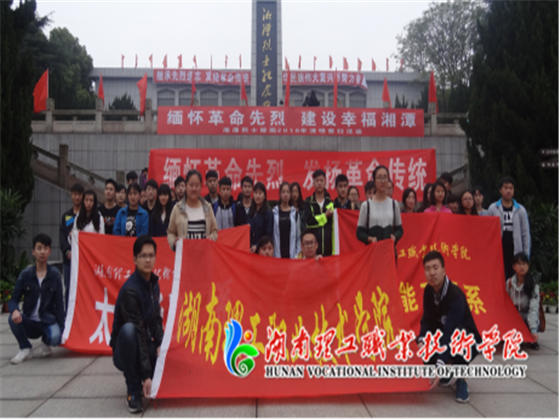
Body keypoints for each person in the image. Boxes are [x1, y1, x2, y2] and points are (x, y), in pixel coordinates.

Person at [419, 251, 481, 404]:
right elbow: (427, 320)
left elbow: (450, 332)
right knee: (425, 350)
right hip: (444, 335)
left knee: (458, 340)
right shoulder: (428, 291)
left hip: (465, 339)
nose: (432, 273)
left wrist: (440, 364)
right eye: (428, 269)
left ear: (444, 270)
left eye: (435, 268)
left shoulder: (456, 295)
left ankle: (461, 378)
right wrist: (422, 340)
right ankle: (447, 370)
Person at [111, 235, 163, 413]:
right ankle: (133, 389)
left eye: (151, 255)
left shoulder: (153, 283)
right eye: (143, 256)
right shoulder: (130, 290)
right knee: (129, 330)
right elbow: (138, 332)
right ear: (135, 259)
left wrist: (161, 345)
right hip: (126, 349)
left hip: (145, 344)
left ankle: (147, 377)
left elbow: (156, 320)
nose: (148, 260)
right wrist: (147, 374)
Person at [8, 234, 65, 364]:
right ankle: (25, 348)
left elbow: (59, 304)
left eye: (45, 248)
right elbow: (13, 299)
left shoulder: (55, 275)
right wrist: (15, 310)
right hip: (29, 320)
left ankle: (46, 342)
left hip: (47, 320)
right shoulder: (26, 274)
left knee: (56, 336)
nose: (42, 252)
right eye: (39, 248)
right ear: (33, 252)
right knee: (12, 318)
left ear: (49, 251)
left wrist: (62, 328)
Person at [487, 177, 531, 280]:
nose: (508, 191)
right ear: (500, 190)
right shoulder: (493, 208)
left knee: (515, 277)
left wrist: (526, 254)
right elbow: (488, 232)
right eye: (506, 188)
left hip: (516, 249)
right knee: (499, 276)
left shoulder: (520, 210)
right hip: (499, 249)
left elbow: (525, 233)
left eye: (511, 188)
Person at [167, 169, 218, 250]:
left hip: (204, 255)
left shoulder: (207, 207)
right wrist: (174, 243)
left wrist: (211, 239)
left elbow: (214, 231)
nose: (194, 189)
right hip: (184, 255)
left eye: (197, 185)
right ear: (186, 186)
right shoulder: (177, 208)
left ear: (201, 187)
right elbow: (171, 232)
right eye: (191, 185)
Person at [357, 165, 403, 247]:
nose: (382, 181)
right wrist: (370, 239)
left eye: (385, 177)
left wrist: (395, 237)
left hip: (389, 249)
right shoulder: (366, 205)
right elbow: (359, 232)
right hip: (373, 249)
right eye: (379, 177)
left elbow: (399, 229)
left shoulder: (394, 204)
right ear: (374, 181)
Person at [506, 252, 540, 350]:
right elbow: (505, 304)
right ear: (514, 267)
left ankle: (531, 337)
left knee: (531, 326)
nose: (522, 267)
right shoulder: (509, 283)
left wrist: (533, 329)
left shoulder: (533, 285)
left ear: (528, 266)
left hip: (527, 316)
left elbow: (533, 309)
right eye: (519, 264)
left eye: (524, 264)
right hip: (514, 317)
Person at [59, 182, 83, 310]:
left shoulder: (86, 215)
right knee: (69, 287)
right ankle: (68, 314)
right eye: (74, 194)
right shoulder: (67, 216)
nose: (77, 197)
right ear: (71, 195)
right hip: (68, 260)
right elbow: (62, 236)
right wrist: (67, 251)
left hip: (83, 260)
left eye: (79, 194)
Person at [303, 169, 334, 256]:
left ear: (325, 182)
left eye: (321, 180)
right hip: (313, 250)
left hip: (329, 249)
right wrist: (325, 216)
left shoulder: (331, 202)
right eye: (317, 181)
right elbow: (309, 222)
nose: (319, 183)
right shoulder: (308, 202)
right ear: (313, 183)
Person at [272, 182, 301, 259]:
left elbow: (298, 237)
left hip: (292, 256)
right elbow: (272, 236)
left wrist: (297, 254)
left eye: (288, 192)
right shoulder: (274, 213)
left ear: (290, 194)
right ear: (280, 194)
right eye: (283, 192)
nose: (285, 194)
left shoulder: (295, 213)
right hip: (277, 256)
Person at [248, 182, 273, 253]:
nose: (257, 196)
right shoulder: (251, 211)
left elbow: (268, 234)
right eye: (256, 193)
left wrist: (257, 245)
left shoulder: (268, 212)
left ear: (264, 196)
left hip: (263, 249)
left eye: (260, 193)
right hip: (250, 249)